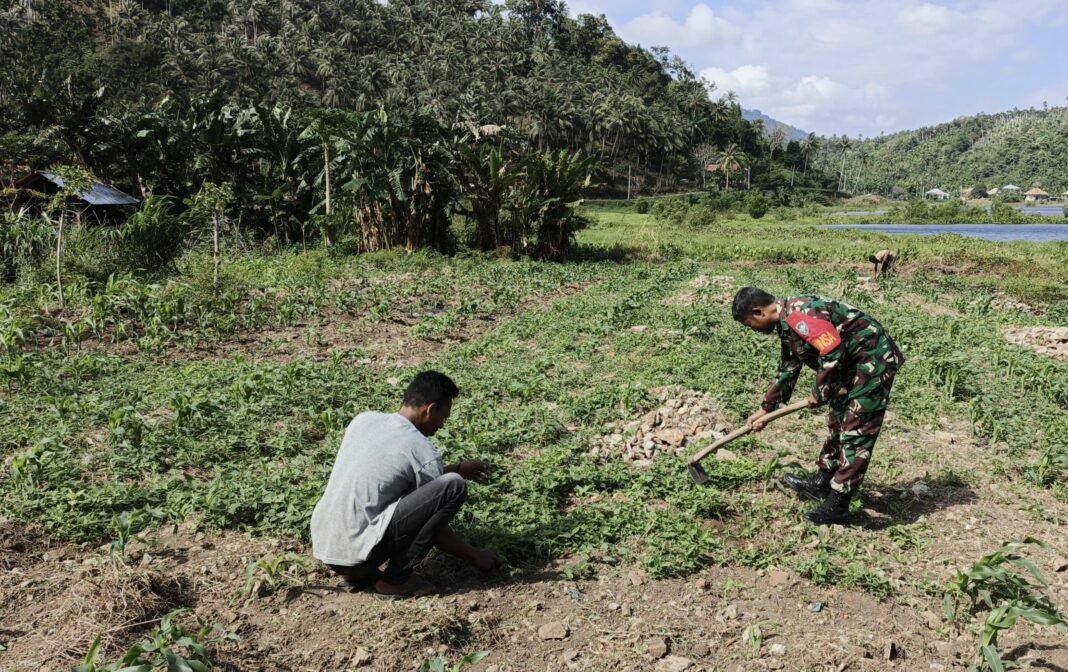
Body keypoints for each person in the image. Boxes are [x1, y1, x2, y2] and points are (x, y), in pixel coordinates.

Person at [311, 371, 499, 597]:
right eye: (444, 417)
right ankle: (395, 580)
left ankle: (357, 574)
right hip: (357, 556)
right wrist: (475, 555)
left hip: (326, 547)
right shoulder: (422, 450)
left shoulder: (364, 420)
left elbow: (390, 476)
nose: (442, 424)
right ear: (430, 409)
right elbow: (433, 526)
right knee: (454, 486)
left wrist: (458, 468)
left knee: (447, 481)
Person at [731, 288, 905, 525]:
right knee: (837, 422)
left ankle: (839, 504)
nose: (753, 330)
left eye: (750, 325)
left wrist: (820, 391)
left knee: (856, 430)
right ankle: (824, 481)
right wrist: (766, 409)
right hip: (848, 366)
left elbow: (831, 347)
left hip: (871, 362)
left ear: (758, 312)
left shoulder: (799, 314)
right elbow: (788, 368)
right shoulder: (786, 325)